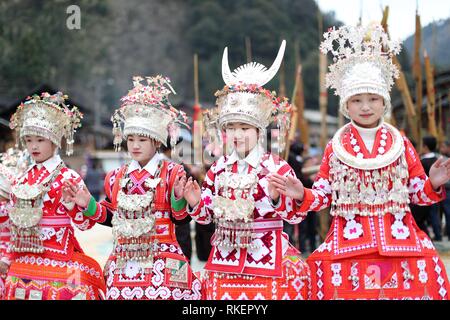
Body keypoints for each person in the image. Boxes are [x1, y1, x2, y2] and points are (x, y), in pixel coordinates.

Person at [270, 24, 450, 300]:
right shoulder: (336, 147)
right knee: (321, 272)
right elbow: (323, 194)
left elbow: (417, 194)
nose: (365, 107)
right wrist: (301, 193)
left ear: (384, 102)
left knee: (431, 267)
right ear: (346, 105)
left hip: (400, 237)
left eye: (373, 99)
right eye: (357, 100)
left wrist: (433, 184)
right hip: (348, 240)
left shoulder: (400, 143)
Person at [182, 41, 311, 300]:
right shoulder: (218, 169)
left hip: (269, 257)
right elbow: (207, 219)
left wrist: (277, 197)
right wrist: (196, 203)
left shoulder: (276, 166)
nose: (237, 135)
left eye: (244, 128)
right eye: (231, 128)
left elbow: (295, 217)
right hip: (224, 259)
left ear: (258, 131)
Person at [63, 76, 201, 300]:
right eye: (131, 139)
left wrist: (178, 198)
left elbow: (181, 219)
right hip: (123, 260)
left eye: (142, 140)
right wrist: (87, 204)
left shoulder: (173, 172)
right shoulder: (115, 176)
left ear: (157, 141)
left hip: (163, 257)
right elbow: (111, 216)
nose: (135, 145)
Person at [3, 92, 106, 300]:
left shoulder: (69, 177)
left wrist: (72, 207)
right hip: (24, 258)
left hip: (60, 256)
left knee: (74, 289)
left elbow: (85, 225)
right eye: (29, 140)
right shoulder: (21, 179)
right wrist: (7, 258)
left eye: (40, 140)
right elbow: (16, 228)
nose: (33, 146)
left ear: (54, 140)